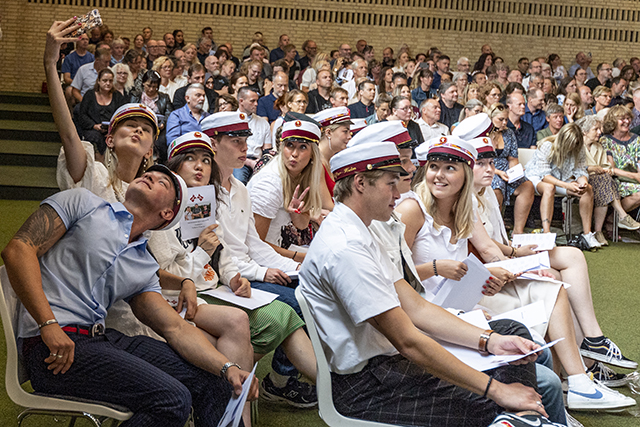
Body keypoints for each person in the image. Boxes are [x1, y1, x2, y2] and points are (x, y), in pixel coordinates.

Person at [301, 138, 548, 426]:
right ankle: (524, 418)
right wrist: (497, 391)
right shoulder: (346, 248)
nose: (399, 193)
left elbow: (416, 308)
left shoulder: (366, 229)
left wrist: (490, 341)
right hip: (369, 385)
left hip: (387, 366)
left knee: (510, 341)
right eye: (390, 183)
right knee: (504, 397)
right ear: (359, 183)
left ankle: (522, 419)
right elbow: (408, 341)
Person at [395, 135, 636, 413]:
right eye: (434, 167)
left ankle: (580, 381)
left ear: (464, 174)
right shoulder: (412, 209)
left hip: (462, 295)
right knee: (548, 291)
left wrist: (488, 275)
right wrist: (438, 269)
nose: (438, 175)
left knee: (553, 287)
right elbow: (397, 277)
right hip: (431, 308)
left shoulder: (462, 208)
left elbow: (470, 261)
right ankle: (577, 378)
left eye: (449, 168)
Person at [153, 132, 318, 413]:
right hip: (180, 299)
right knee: (255, 317)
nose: (200, 166)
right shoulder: (162, 210)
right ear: (174, 167)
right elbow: (166, 277)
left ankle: (331, 387)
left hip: (214, 287)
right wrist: (210, 257)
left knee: (286, 313)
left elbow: (224, 252)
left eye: (205, 160)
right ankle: (237, 410)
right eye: (190, 159)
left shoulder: (202, 202)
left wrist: (234, 277)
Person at [200, 112, 319, 406]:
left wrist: (295, 267)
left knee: (310, 285)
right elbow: (217, 255)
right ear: (213, 145)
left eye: (245, 141)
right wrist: (262, 272)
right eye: (236, 141)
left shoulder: (239, 188)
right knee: (298, 301)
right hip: (222, 281)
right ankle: (282, 382)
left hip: (244, 272)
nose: (245, 148)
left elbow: (253, 243)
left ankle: (295, 379)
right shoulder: (202, 193)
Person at [248, 119, 323, 259]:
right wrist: (300, 257)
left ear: (313, 153)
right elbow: (255, 245)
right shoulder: (269, 184)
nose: (294, 153)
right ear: (282, 147)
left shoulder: (301, 175)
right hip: (261, 258)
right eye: (290, 145)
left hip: (278, 249)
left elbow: (302, 224)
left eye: (303, 147)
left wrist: (295, 213)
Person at [524, 123, 599, 247]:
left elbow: (580, 170)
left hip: (562, 178)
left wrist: (583, 182)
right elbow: (545, 176)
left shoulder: (579, 148)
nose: (571, 148)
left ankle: (587, 234)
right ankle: (547, 232)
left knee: (587, 189)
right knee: (549, 188)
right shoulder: (547, 146)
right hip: (537, 177)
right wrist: (567, 186)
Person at [579, 116, 640, 246]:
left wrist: (599, 170)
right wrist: (591, 168)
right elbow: (573, 168)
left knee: (605, 181)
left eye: (599, 129)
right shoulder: (576, 145)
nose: (599, 132)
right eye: (595, 129)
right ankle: (620, 217)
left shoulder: (598, 147)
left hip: (600, 180)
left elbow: (606, 167)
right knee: (605, 181)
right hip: (581, 179)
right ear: (585, 131)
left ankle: (599, 231)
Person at [472, 110, 534, 235]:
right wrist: (498, 172)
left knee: (527, 186)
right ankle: (495, 231)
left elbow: (512, 158)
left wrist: (515, 171)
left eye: (506, 119)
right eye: (501, 119)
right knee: (497, 188)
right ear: (491, 118)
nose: (504, 122)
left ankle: (518, 231)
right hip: (489, 170)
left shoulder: (509, 133)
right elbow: (480, 161)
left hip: (507, 170)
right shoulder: (484, 135)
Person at [75, 68, 126, 158]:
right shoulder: (90, 95)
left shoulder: (118, 96)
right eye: (104, 80)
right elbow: (83, 115)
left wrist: (112, 130)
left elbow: (122, 115)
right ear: (98, 81)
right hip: (93, 128)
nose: (108, 83)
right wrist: (94, 126)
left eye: (110, 81)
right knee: (95, 137)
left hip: (113, 130)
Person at [600, 105, 640, 217]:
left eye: (628, 118)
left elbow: (639, 162)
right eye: (622, 119)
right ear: (613, 121)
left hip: (635, 179)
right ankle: (613, 219)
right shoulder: (606, 140)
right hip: (616, 180)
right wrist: (634, 176)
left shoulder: (636, 139)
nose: (627, 121)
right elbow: (611, 168)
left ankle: (615, 220)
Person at [313, 107, 353, 207]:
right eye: (345, 131)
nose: (349, 136)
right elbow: (328, 206)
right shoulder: (317, 163)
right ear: (328, 133)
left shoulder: (332, 160)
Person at [130, 70, 174, 161]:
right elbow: (131, 111)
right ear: (143, 84)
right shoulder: (135, 96)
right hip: (139, 125)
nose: (151, 89)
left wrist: (163, 123)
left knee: (162, 140)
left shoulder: (164, 98)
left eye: (154, 87)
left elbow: (169, 113)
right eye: (148, 86)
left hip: (158, 129)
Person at [232, 87, 271, 185]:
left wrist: (261, 162)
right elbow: (230, 151)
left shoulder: (263, 123)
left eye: (257, 101)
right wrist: (249, 162)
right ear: (241, 101)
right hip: (238, 161)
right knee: (239, 181)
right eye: (252, 101)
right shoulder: (231, 121)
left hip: (258, 161)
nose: (256, 104)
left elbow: (267, 150)